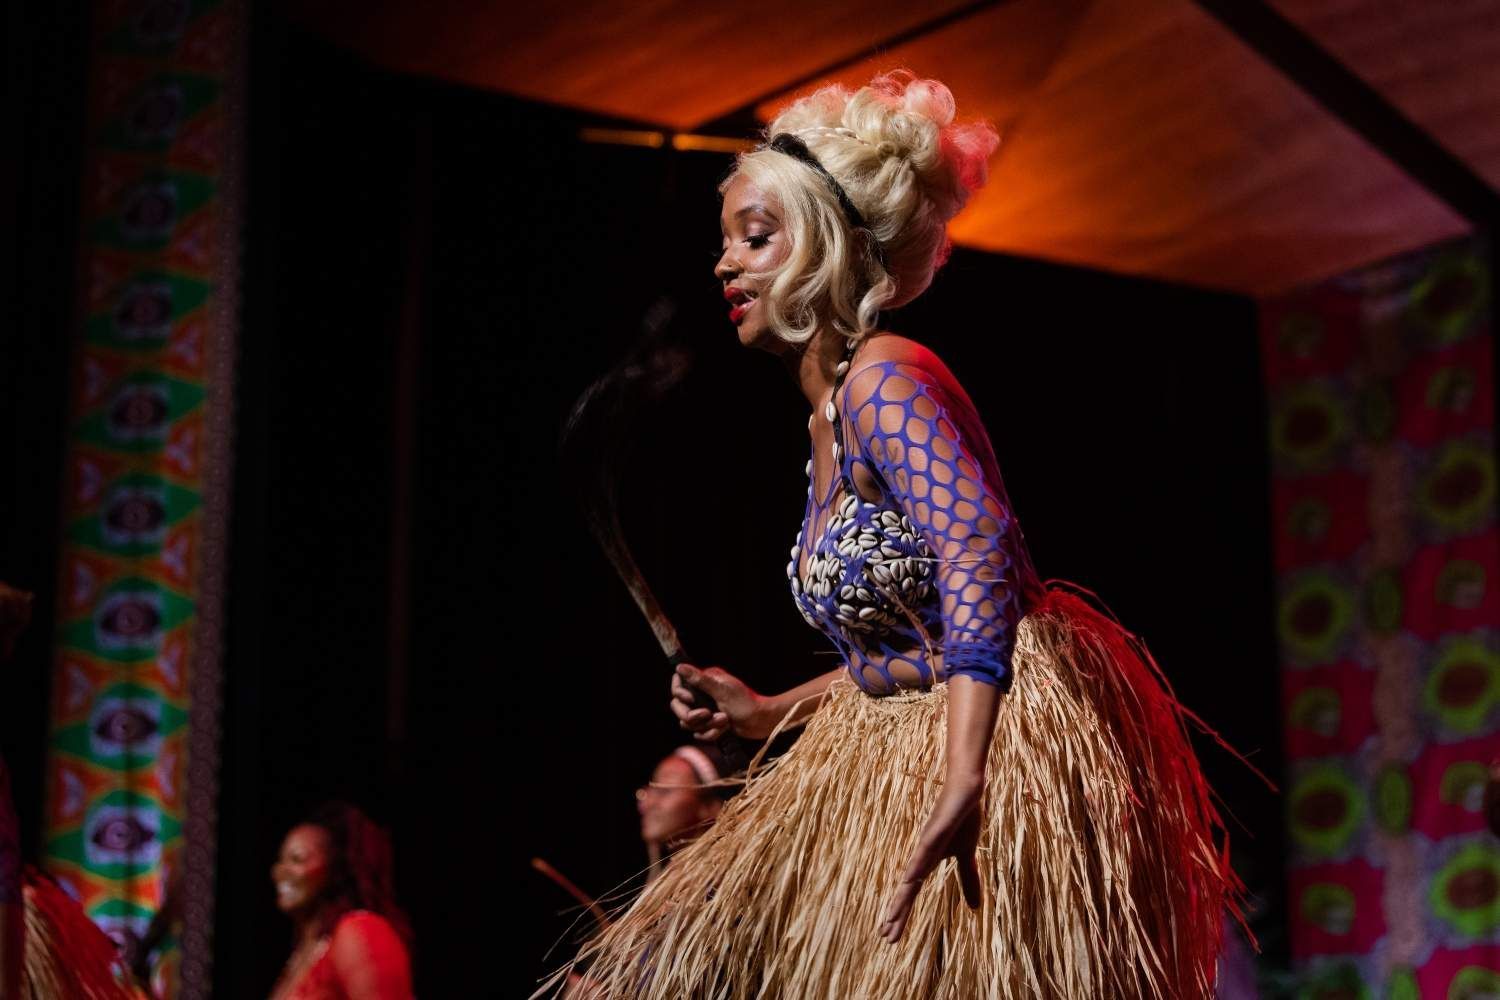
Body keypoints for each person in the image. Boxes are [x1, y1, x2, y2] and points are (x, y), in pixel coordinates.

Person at [548, 71, 1238, 999]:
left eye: (757, 237)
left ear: (828, 244)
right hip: (901, 747)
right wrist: (766, 710)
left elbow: (979, 557)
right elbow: (910, 651)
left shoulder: (885, 382)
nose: (726, 265)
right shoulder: (828, 415)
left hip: (980, 759)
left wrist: (964, 771)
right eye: (726, 244)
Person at [268, 802, 412, 1000]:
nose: (280, 871)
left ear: (335, 869)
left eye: (297, 859)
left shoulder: (359, 930)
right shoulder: (302, 954)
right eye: (281, 860)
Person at [635, 745, 733, 887]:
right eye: (648, 791)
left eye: (664, 791)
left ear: (710, 806)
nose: (645, 805)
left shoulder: (721, 885)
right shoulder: (663, 883)